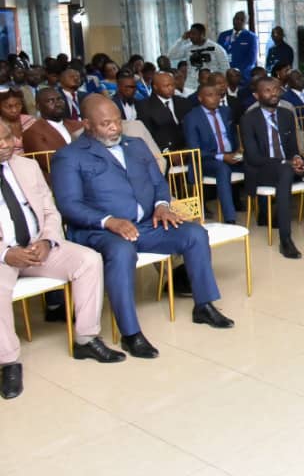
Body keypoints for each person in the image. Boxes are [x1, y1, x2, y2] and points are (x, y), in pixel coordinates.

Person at [52, 96, 234, 359]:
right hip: (101, 231)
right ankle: (131, 334)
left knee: (195, 234)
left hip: (148, 224)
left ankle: (203, 306)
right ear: (87, 124)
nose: (115, 128)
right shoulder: (69, 156)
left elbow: (158, 182)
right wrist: (109, 221)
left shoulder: (135, 145)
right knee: (122, 251)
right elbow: (69, 204)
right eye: (106, 124)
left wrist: (162, 205)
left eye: (117, 121)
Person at [0, 121, 124, 400]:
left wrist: (47, 240)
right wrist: (6, 253)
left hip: (38, 246)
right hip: (3, 255)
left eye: (8, 137)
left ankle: (86, 339)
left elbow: (50, 211)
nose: (6, 145)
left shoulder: (27, 167)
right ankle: (8, 362)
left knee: (89, 260)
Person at [240, 76, 304, 259]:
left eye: (276, 89)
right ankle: (285, 239)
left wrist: (297, 159)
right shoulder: (248, 119)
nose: (273, 94)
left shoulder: (286, 114)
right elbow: (254, 157)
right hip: (261, 169)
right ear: (257, 95)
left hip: (285, 166)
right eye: (267, 90)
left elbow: (292, 149)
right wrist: (287, 164)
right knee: (286, 171)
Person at [182, 84, 242, 225]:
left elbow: (233, 134)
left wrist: (239, 149)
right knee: (223, 169)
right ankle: (230, 218)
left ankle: (265, 211)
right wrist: (222, 157)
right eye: (210, 95)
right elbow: (194, 149)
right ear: (200, 98)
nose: (215, 98)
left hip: (231, 155)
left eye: (217, 95)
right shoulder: (192, 117)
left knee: (254, 161)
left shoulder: (226, 111)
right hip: (206, 159)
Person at [135, 72, 192, 153]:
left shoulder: (183, 102)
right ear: (155, 87)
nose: (171, 88)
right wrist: (166, 152)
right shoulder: (144, 106)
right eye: (166, 86)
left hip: (188, 149)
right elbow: (148, 134)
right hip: (164, 152)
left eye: (173, 85)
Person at [22, 88, 82, 164]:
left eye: (59, 99)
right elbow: (49, 162)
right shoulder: (32, 133)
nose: (58, 104)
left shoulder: (78, 125)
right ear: (38, 107)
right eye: (50, 101)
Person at [167, 23, 230, 94]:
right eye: (190, 34)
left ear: (202, 34)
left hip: (210, 85)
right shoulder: (188, 48)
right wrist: (182, 39)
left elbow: (225, 68)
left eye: (194, 34)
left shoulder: (216, 48)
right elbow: (171, 55)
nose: (191, 36)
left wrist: (221, 84)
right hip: (190, 86)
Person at [218, 11, 259, 83]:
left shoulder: (251, 37)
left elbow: (251, 59)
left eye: (242, 20)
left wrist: (236, 71)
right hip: (225, 75)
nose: (239, 21)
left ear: (246, 22)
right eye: (237, 18)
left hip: (243, 77)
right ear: (233, 19)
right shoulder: (223, 35)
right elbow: (218, 54)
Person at [0, 90, 35, 156]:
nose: (14, 110)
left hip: (35, 159)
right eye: (8, 106)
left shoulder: (31, 120)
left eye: (18, 105)